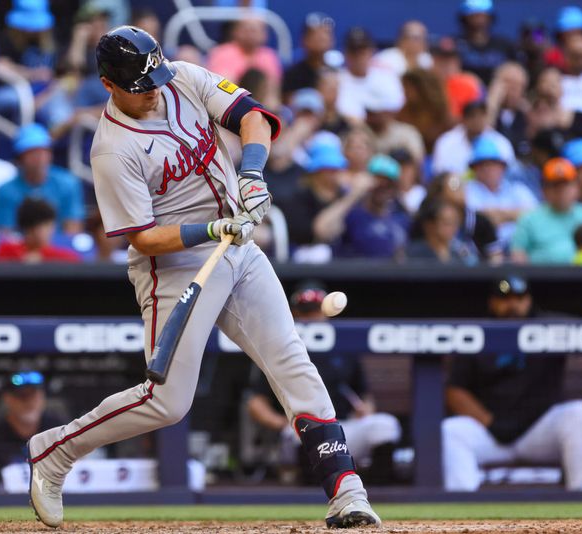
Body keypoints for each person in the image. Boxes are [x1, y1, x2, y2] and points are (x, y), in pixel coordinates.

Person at [26, 26, 381, 529]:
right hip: (174, 266)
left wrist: (253, 174)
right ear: (109, 84)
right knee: (167, 403)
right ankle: (54, 451)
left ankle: (346, 491)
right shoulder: (111, 149)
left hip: (238, 249)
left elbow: (252, 117)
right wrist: (210, 226)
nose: (153, 91)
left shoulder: (184, 79)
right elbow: (142, 238)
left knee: (290, 360)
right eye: (140, 85)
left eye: (155, 78)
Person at [443, 274, 582, 492]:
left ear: (528, 300)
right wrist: (490, 423)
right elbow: (455, 390)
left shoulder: (547, 327)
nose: (513, 305)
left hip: (538, 431)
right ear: (493, 302)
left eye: (519, 298)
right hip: (490, 433)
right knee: (451, 431)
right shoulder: (478, 332)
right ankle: (461, 515)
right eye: (505, 299)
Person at [247, 281, 401, 484]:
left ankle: (378, 490)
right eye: (306, 313)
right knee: (297, 435)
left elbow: (364, 395)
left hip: (343, 427)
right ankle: (309, 492)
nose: (312, 318)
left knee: (384, 425)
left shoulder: (342, 345)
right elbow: (255, 403)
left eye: (316, 312)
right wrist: (282, 423)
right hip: (303, 428)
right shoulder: (281, 348)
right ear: (294, 314)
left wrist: (366, 409)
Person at [0, 371, 65, 492]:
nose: (29, 402)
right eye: (22, 396)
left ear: (42, 397)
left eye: (34, 395)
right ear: (7, 399)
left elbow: (81, 470)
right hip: (8, 505)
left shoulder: (58, 429)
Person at [511, 158, 582, 264]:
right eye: (555, 185)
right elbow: (518, 258)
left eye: (566, 184)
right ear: (544, 190)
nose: (561, 190)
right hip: (543, 278)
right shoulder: (529, 219)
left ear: (576, 187)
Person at [0, 123, 85, 234]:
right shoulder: (6, 190)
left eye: (43, 151)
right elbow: (5, 232)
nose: (39, 157)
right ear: (20, 158)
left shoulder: (68, 183)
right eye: (32, 153)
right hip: (20, 249)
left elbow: (72, 228)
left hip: (59, 248)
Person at [464, 136, 538, 245]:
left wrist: (502, 215)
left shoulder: (517, 189)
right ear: (474, 169)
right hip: (482, 249)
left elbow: (536, 217)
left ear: (503, 167)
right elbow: (474, 218)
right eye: (482, 165)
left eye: (493, 164)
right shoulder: (467, 190)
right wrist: (514, 215)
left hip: (518, 248)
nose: (487, 169)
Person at [414, 172, 502, 262]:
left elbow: (495, 260)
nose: (461, 189)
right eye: (455, 185)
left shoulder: (480, 223)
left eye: (462, 185)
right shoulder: (425, 221)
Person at [340, 154, 408, 259]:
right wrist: (355, 194)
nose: (382, 188)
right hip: (358, 272)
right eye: (378, 183)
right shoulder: (352, 215)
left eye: (388, 184)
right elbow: (322, 230)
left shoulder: (402, 218)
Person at [336, 27, 403, 123]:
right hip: (351, 130)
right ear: (345, 53)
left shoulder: (386, 76)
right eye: (353, 50)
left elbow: (396, 105)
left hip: (386, 128)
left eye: (363, 49)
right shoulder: (337, 80)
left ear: (372, 50)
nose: (359, 55)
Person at [432, 101, 515, 175]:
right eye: (472, 116)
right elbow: (440, 175)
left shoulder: (501, 143)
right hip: (455, 188)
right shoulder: (446, 142)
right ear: (464, 119)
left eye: (481, 115)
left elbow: (509, 176)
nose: (477, 120)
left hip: (490, 191)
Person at [0, 198, 81, 263]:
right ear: (27, 228)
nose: (51, 230)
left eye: (48, 225)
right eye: (46, 225)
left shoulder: (68, 258)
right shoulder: (7, 251)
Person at [207, 17, 283, 88]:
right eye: (246, 29)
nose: (250, 34)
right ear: (235, 31)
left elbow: (274, 87)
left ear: (264, 34)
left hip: (262, 100)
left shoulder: (269, 56)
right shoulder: (221, 52)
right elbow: (217, 85)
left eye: (254, 30)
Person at [454, 0, 515, 85]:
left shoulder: (504, 45)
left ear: (490, 17)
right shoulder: (454, 44)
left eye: (482, 13)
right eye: (473, 14)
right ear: (464, 17)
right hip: (464, 92)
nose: (478, 16)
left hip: (498, 92)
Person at [529, 67, 582, 141]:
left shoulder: (579, 117)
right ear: (538, 87)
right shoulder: (529, 117)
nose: (550, 87)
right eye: (546, 82)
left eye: (554, 83)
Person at [363, 84, 425, 162]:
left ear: (386, 112)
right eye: (368, 112)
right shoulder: (360, 133)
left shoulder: (407, 134)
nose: (370, 117)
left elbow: (417, 162)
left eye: (374, 113)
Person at [396, 69, 452, 154]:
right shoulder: (402, 113)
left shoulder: (441, 114)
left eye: (408, 87)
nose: (405, 92)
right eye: (404, 88)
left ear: (422, 88)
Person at [405, 199, 477, 265]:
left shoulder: (461, 251)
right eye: (447, 223)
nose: (453, 227)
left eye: (455, 222)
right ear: (429, 225)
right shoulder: (414, 253)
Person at [282, 12, 336, 99]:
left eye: (325, 33)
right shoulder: (293, 75)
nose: (321, 37)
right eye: (315, 34)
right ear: (304, 39)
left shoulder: (336, 74)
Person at [431, 36, 483, 121]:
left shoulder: (469, 83)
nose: (446, 64)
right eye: (441, 59)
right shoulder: (424, 83)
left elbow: (477, 117)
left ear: (458, 62)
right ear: (433, 61)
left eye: (451, 59)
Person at [487, 62, 530, 158]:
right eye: (508, 83)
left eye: (518, 85)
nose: (513, 89)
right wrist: (493, 102)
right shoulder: (486, 110)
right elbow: (484, 131)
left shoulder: (526, 115)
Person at [544, 6, 582, 75]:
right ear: (560, 36)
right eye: (570, 33)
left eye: (578, 32)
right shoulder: (552, 56)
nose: (575, 37)